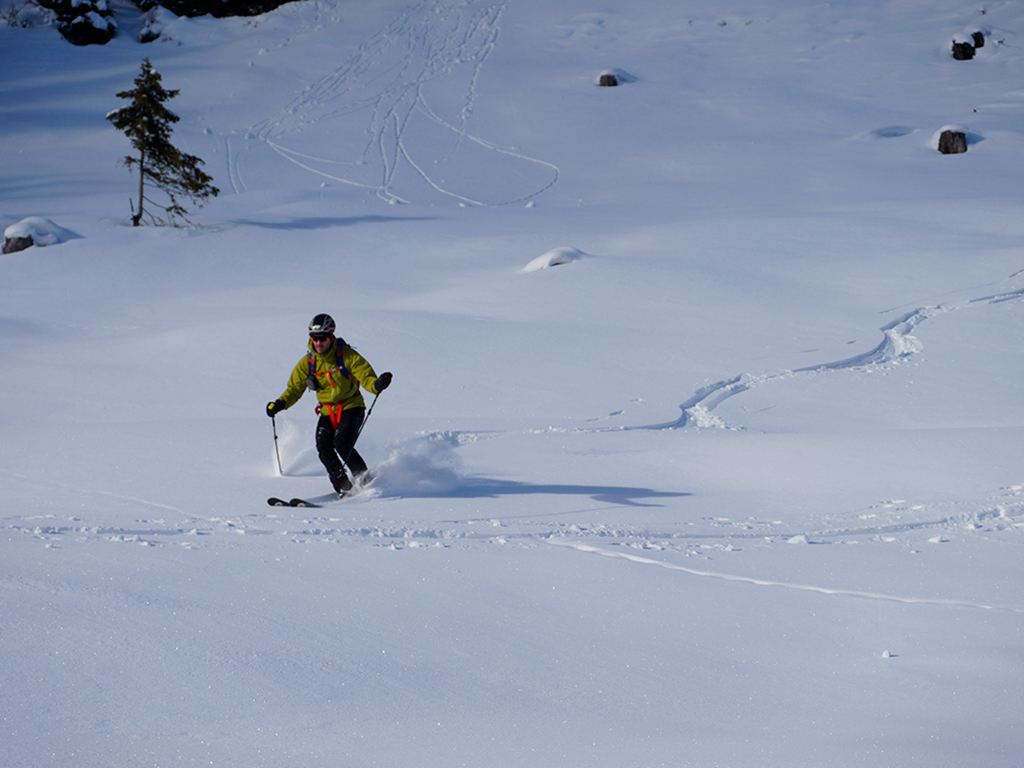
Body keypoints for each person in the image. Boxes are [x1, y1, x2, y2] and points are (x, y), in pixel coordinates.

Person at [266, 313, 392, 495]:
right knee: (324, 446)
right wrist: (279, 404)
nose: (318, 343)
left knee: (341, 442)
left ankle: (364, 480)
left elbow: (365, 375)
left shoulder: (346, 356)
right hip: (327, 410)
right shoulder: (308, 363)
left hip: (352, 406)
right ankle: (343, 487)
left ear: (331, 336)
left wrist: (376, 385)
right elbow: (294, 389)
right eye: (315, 339)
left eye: (322, 338)